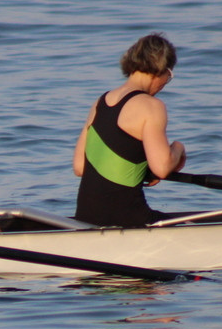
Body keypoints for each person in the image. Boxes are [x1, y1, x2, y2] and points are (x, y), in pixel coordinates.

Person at [73, 32, 186, 227]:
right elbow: (161, 167)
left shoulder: (100, 103)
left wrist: (137, 169)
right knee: (189, 227)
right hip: (127, 219)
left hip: (86, 218)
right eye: (169, 75)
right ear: (161, 69)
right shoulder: (151, 105)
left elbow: (80, 167)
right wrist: (178, 148)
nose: (166, 83)